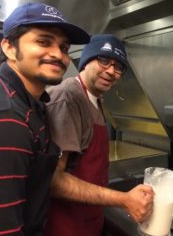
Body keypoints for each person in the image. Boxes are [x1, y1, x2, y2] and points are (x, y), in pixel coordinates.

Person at [0, 2, 89, 236]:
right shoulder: (6, 116)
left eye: (64, 47)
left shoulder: (32, 103)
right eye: (43, 42)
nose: (58, 54)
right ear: (9, 47)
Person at [44, 34, 154, 236]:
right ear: (86, 61)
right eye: (104, 60)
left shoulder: (96, 98)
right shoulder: (68, 97)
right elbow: (54, 180)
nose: (111, 71)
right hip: (66, 226)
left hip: (88, 220)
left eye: (119, 66)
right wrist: (123, 199)